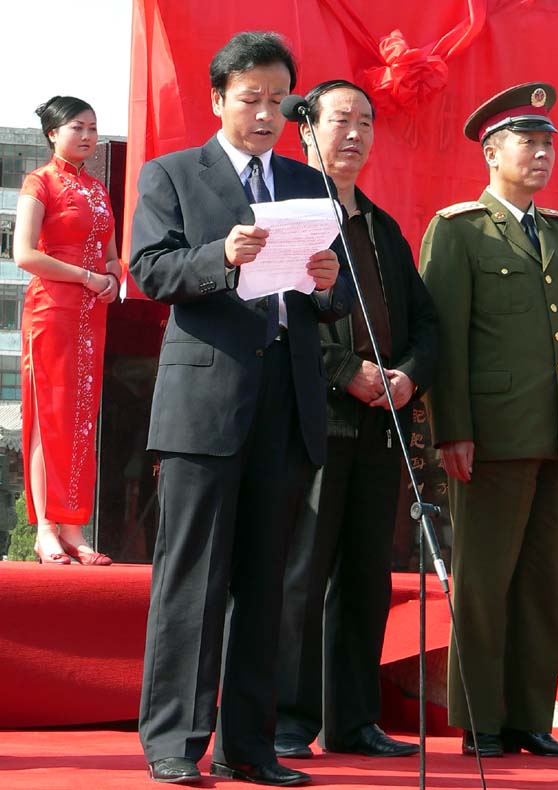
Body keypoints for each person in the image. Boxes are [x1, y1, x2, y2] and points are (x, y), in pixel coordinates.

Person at [129, 33, 355, 787]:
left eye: (277, 101)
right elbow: (149, 269)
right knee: (192, 576)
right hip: (206, 402)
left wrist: (327, 280)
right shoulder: (172, 174)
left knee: (265, 583)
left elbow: (334, 300)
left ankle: (249, 746)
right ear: (218, 99)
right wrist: (220, 256)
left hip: (287, 401)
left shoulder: (306, 181)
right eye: (250, 98)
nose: (264, 114)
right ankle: (174, 740)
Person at [419, 82, 558, 758]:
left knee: (542, 583)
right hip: (491, 435)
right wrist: (451, 428)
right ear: (492, 152)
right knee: (485, 580)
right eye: (528, 142)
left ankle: (529, 718)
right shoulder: (459, 229)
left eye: (549, 143)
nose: (542, 153)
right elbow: (446, 337)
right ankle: (482, 721)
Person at [275, 80, 437, 760]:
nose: (355, 133)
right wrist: (346, 370)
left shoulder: (382, 226)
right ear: (307, 128)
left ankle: (353, 719)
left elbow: (426, 323)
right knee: (302, 571)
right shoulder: (291, 214)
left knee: (367, 573)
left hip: (381, 424)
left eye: (366, 122)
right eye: (341, 119)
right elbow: (278, 314)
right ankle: (287, 718)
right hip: (315, 419)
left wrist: (407, 376)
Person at [14, 96, 120, 566]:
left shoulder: (98, 190)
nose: (88, 136)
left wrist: (112, 278)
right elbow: (24, 254)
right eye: (77, 127)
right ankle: (46, 530)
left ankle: (74, 528)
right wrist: (86, 277)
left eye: (93, 128)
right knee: (49, 416)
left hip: (90, 314)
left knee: (81, 419)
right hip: (51, 310)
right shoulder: (39, 182)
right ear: (53, 133)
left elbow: (112, 255)